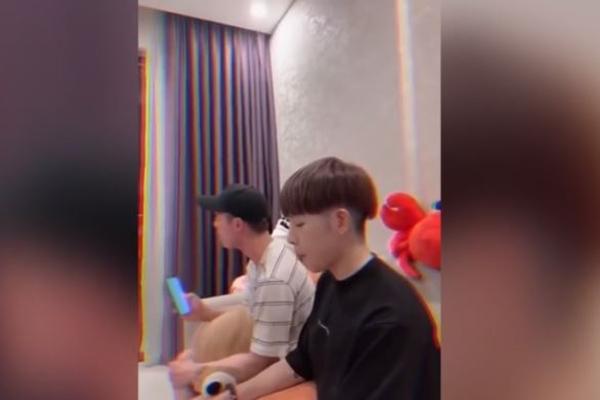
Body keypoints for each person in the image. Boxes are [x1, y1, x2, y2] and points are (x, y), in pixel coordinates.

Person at [205, 157, 440, 400]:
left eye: (299, 224)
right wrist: (234, 395)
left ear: (340, 221)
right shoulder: (330, 282)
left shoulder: (389, 318)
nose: (291, 238)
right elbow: (300, 362)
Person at [168, 184, 315, 399]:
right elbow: (253, 315)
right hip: (274, 356)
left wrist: (197, 370)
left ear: (237, 224)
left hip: (290, 368)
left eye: (219, 217)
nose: (214, 224)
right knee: (186, 377)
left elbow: (263, 360)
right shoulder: (260, 262)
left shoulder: (274, 277)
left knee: (187, 378)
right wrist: (205, 312)